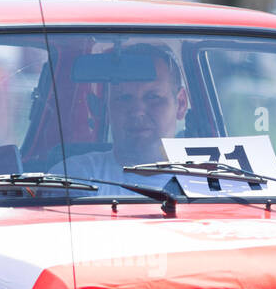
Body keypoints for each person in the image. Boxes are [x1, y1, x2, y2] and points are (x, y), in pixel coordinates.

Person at [63, 42, 187, 193]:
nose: (137, 111)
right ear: (107, 109)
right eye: (124, 98)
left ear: (180, 104)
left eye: (153, 97)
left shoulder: (211, 181)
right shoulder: (74, 178)